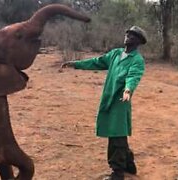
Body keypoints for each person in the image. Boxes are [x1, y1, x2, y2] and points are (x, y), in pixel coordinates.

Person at [61, 26, 147, 180]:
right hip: (108, 98)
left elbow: (133, 76)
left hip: (121, 101)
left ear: (139, 41)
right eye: (127, 33)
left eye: (133, 35)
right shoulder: (115, 54)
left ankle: (117, 172)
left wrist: (128, 90)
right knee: (115, 133)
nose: (128, 36)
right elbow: (97, 62)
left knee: (117, 134)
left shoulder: (137, 60)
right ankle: (128, 162)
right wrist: (76, 64)